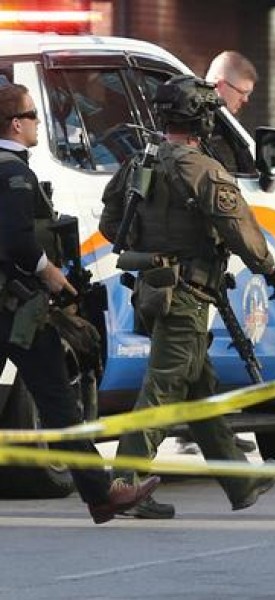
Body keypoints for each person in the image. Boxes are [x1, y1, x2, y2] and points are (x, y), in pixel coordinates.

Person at [100, 75, 275, 519]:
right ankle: (123, 484)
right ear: (201, 118)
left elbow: (111, 225)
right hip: (186, 294)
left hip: (152, 288)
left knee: (199, 391)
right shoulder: (203, 169)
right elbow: (240, 231)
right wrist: (268, 269)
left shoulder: (137, 164)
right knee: (163, 386)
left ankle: (241, 483)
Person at [0, 82, 159, 524]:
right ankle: (102, 494)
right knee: (58, 402)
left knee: (56, 401)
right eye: (33, 116)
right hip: (20, 309)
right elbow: (16, 240)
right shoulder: (12, 171)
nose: (38, 124)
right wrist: (51, 275)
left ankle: (101, 492)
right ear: (16, 123)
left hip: (13, 306)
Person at [173, 49, 261, 454]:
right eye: (242, 93)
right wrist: (266, 267)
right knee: (173, 368)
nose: (244, 102)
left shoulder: (198, 118)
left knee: (198, 357)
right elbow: (227, 195)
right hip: (190, 261)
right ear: (222, 85)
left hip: (190, 262)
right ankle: (128, 472)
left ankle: (216, 442)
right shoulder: (210, 127)